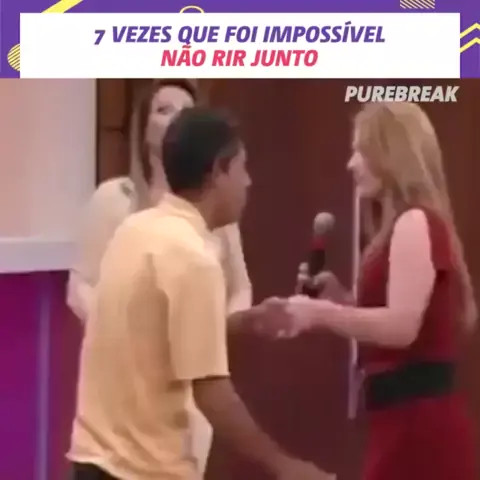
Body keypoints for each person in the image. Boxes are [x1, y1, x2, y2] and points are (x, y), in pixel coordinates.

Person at [68, 107, 333, 480]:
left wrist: (242, 322)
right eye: (242, 168)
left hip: (92, 462)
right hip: (144, 471)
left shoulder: (134, 231)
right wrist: (286, 466)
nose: (248, 182)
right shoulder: (193, 257)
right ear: (218, 172)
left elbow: (153, 334)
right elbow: (214, 396)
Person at [66, 79, 252, 472]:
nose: (175, 119)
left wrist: (215, 330)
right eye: (163, 110)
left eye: (184, 110)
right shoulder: (119, 205)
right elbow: (81, 285)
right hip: (125, 402)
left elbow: (238, 291)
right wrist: (127, 333)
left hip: (185, 394)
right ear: (143, 127)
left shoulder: (216, 223)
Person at [286, 102, 477, 480]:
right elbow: (398, 321)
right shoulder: (400, 226)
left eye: (360, 150)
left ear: (391, 154)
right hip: (402, 420)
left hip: (420, 428)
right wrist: (341, 300)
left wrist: (321, 314)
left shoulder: (415, 222)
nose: (351, 164)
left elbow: (401, 327)